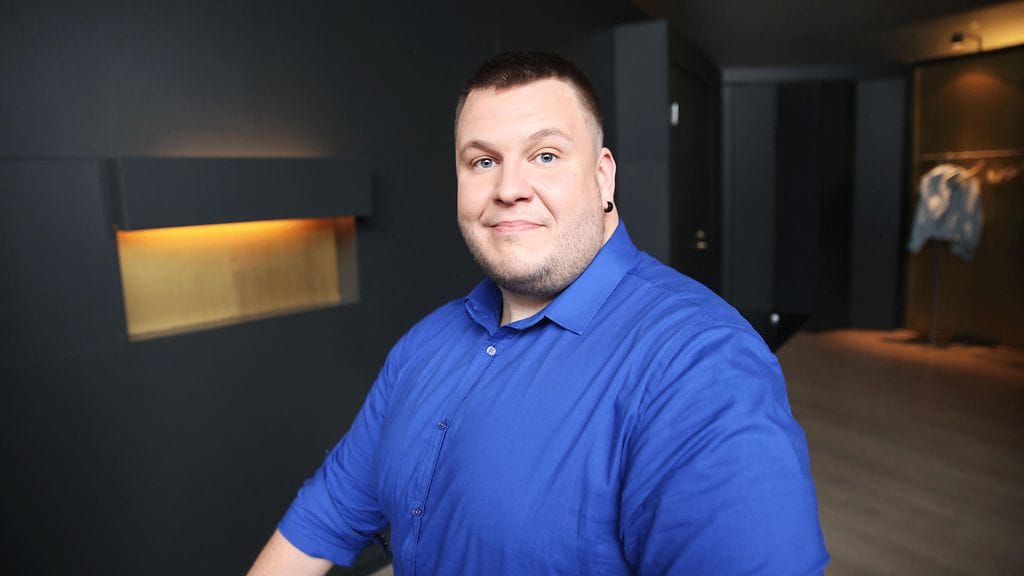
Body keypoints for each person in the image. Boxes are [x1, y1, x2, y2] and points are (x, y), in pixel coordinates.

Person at [249, 51, 829, 575]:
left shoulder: (700, 364)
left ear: (603, 175)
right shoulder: (424, 345)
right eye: (483, 162)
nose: (509, 188)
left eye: (545, 155)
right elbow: (326, 514)